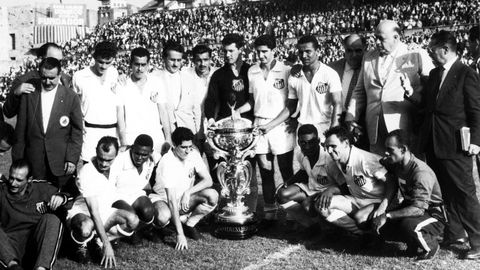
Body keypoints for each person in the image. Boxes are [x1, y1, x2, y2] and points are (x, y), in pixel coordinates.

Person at [418, 30, 480, 260]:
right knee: (444, 193)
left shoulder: (466, 74)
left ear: (445, 49)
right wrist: (408, 94)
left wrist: (476, 141)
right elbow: (428, 108)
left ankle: (478, 240)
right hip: (434, 143)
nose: (429, 52)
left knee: (464, 193)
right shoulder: (435, 74)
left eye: (432, 48)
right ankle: (455, 234)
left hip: (456, 145)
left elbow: (476, 111)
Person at [345, 20, 434, 155]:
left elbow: (431, 85)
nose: (377, 42)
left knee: (406, 170)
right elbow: (359, 90)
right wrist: (351, 117)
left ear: (396, 37)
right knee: (379, 169)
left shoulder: (415, 53)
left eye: (381, 39)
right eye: (376, 38)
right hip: (374, 126)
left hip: (404, 124)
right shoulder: (368, 57)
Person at [238, 34, 294, 222]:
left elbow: (291, 104)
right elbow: (253, 101)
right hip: (259, 125)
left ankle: (292, 212)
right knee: (265, 170)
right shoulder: (252, 71)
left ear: (274, 51)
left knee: (286, 170)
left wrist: (271, 125)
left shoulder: (286, 70)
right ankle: (270, 213)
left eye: (265, 52)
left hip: (280, 125)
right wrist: (237, 112)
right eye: (258, 52)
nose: (261, 55)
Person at [203, 33, 257, 212]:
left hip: (248, 130)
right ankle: (227, 206)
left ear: (241, 50)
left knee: (248, 168)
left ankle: (250, 209)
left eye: (231, 51)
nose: (227, 54)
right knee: (228, 169)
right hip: (227, 131)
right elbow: (210, 100)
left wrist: (242, 113)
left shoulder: (251, 71)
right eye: (224, 51)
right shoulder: (218, 74)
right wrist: (211, 119)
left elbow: (256, 99)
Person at [12, 57, 83, 191]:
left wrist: (72, 158)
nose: (47, 82)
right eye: (44, 78)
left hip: (61, 162)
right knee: (35, 201)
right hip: (34, 161)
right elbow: (20, 130)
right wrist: (18, 160)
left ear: (59, 75)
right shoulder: (30, 94)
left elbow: (77, 131)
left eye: (52, 78)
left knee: (60, 202)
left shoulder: (70, 96)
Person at [67, 136, 139, 267]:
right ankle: (80, 242)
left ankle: (96, 239)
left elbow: (133, 149)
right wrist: (107, 244)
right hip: (84, 213)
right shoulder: (86, 172)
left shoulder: (118, 162)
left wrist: (153, 156)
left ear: (116, 155)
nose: (104, 164)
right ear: (96, 152)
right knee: (85, 228)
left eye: (109, 160)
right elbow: (94, 212)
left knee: (133, 220)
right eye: (101, 158)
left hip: (105, 211)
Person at [373, 129, 444, 261]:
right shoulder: (397, 163)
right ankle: (412, 244)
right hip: (411, 206)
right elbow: (383, 166)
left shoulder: (421, 172)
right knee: (380, 225)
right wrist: (383, 207)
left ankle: (431, 246)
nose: (386, 153)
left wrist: (387, 215)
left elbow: (418, 208)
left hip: (432, 213)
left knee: (408, 225)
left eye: (390, 149)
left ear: (403, 149)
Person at [315, 126, 397, 235]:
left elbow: (391, 182)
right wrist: (331, 190)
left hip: (376, 201)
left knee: (360, 217)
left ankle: (378, 234)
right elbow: (344, 186)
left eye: (333, 146)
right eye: (327, 147)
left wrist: (383, 206)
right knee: (321, 205)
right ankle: (362, 234)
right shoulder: (337, 159)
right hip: (356, 199)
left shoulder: (366, 160)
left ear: (345, 143)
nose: (329, 150)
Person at [150, 127, 218, 250]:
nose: (187, 151)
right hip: (163, 199)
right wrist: (179, 235)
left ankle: (189, 225)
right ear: (174, 145)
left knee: (212, 195)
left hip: (183, 199)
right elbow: (171, 200)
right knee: (163, 216)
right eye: (183, 147)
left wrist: (188, 192)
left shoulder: (193, 154)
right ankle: (157, 228)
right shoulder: (167, 162)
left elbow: (208, 180)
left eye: (190, 146)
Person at [267, 35, 342, 141]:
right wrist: (269, 126)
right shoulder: (294, 75)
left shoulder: (330, 74)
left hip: (324, 127)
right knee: (303, 158)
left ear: (318, 51)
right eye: (301, 52)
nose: (304, 55)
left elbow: (337, 103)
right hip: (303, 128)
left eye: (308, 51)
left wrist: (334, 128)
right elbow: (290, 107)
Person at [0, 160, 68, 270]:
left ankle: (42, 268)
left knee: (51, 219)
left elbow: (70, 198)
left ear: (29, 179)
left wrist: (62, 198)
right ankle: (14, 267)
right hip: (9, 249)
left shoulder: (40, 188)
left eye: (19, 180)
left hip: (35, 247)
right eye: (11, 178)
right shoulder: (2, 191)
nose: (13, 183)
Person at [276, 124, 336, 231]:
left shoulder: (329, 158)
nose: (307, 146)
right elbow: (303, 172)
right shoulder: (300, 153)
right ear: (298, 142)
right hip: (311, 187)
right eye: (303, 143)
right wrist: (287, 183)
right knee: (282, 194)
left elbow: (343, 184)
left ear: (318, 141)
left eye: (311, 142)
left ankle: (329, 228)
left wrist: (330, 191)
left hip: (327, 191)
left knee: (308, 205)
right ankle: (311, 226)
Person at [72, 41, 121, 163]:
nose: (104, 66)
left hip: (111, 130)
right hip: (90, 131)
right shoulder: (80, 76)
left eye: (107, 63)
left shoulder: (115, 74)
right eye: (100, 62)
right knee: (90, 168)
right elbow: (75, 105)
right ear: (94, 57)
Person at [117, 47, 169, 161]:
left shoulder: (157, 82)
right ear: (131, 64)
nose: (140, 68)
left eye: (143, 64)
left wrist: (168, 138)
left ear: (148, 64)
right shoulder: (122, 84)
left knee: (157, 174)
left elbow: (163, 113)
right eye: (137, 64)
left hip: (155, 138)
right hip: (132, 138)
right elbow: (120, 116)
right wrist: (124, 142)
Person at [3, 42, 71, 119]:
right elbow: (8, 112)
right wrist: (16, 94)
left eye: (60, 61)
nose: (58, 64)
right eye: (53, 61)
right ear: (40, 60)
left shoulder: (66, 78)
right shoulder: (24, 80)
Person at [153, 40, 200, 143]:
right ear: (164, 58)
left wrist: (198, 133)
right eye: (172, 60)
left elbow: (196, 108)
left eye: (179, 60)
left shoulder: (189, 79)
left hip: (188, 131)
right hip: (164, 132)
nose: (176, 64)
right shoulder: (153, 78)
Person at [109, 134, 156, 240]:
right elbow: (109, 187)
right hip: (117, 195)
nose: (140, 158)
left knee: (148, 211)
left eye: (144, 155)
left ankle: (136, 230)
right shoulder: (119, 160)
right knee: (130, 216)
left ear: (151, 152)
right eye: (137, 153)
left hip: (135, 194)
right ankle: (115, 235)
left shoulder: (151, 161)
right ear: (132, 148)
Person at [329, 34, 369, 150]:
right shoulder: (332, 68)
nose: (354, 55)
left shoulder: (371, 68)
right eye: (349, 51)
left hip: (363, 122)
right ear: (344, 49)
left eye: (358, 50)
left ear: (365, 48)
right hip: (338, 119)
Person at [186, 44, 217, 153]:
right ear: (193, 60)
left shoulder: (218, 74)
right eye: (199, 60)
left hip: (214, 127)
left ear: (210, 59)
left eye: (205, 60)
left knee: (216, 165)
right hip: (193, 129)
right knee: (193, 165)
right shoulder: (185, 76)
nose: (202, 64)